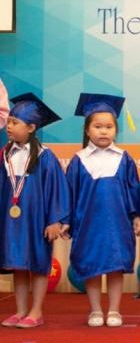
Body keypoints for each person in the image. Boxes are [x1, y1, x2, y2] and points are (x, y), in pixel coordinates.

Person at [67, 93, 140, 327]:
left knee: (115, 266)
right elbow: (69, 193)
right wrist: (66, 220)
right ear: (87, 130)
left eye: (109, 127)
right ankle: (95, 310)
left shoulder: (124, 158)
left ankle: (114, 310)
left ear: (116, 130)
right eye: (98, 126)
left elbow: (133, 189)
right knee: (91, 266)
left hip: (117, 223)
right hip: (88, 223)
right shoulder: (79, 159)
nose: (103, 131)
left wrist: (137, 215)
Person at [0, 93, 69, 329]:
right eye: (9, 122)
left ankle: (36, 311)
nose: (9, 126)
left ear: (31, 127)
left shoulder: (45, 157)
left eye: (14, 122)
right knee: (18, 264)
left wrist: (55, 220)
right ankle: (20, 311)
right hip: (11, 221)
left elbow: (57, 190)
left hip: (36, 220)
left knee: (38, 264)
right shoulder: (5, 155)